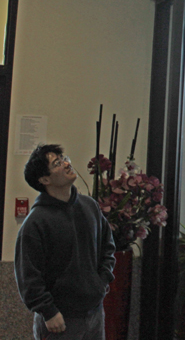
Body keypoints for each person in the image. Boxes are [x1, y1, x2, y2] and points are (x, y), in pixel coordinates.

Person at [15, 144, 116, 339]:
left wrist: (101, 281)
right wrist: (48, 311)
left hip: (95, 313)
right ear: (45, 179)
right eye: (57, 163)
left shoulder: (90, 206)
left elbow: (108, 246)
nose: (67, 164)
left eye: (64, 158)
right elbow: (28, 275)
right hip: (60, 320)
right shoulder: (35, 223)